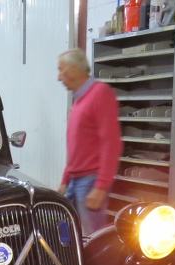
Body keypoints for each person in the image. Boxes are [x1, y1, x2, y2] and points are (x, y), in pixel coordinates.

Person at [57, 48, 123, 236]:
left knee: (91, 237)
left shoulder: (100, 94)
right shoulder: (79, 100)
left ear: (73, 69)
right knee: (64, 233)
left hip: (90, 181)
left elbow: (111, 143)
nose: (59, 77)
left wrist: (101, 186)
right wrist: (65, 179)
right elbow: (77, 147)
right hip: (75, 180)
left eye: (61, 70)